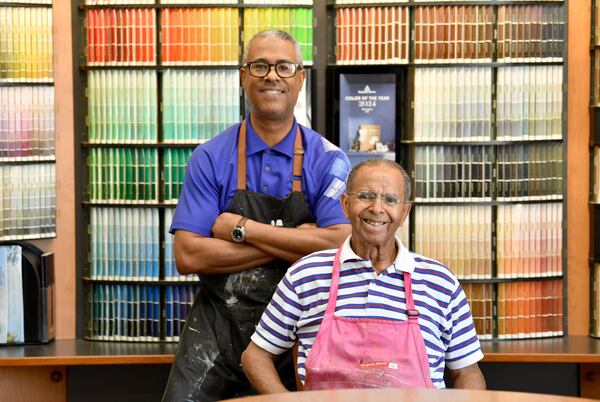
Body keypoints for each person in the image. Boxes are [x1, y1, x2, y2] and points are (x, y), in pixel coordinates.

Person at [161, 30, 352, 402]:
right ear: (243, 76)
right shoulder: (211, 157)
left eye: (284, 66)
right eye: (260, 65)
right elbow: (188, 256)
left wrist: (241, 228)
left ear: (300, 78)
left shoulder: (329, 160)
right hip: (215, 336)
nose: (272, 76)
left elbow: (340, 246)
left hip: (302, 334)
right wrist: (296, 242)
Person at [242, 159, 486, 392]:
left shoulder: (440, 282)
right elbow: (256, 355)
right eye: (366, 196)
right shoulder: (306, 274)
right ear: (346, 204)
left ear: (404, 212)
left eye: (390, 200)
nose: (377, 208)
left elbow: (467, 372)